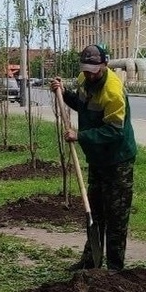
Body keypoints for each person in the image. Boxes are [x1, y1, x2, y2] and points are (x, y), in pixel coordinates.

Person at [51, 44, 137, 272]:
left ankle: (115, 268)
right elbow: (82, 105)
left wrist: (80, 136)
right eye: (86, 69)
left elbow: (114, 131)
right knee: (95, 212)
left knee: (116, 217)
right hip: (98, 159)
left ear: (104, 65)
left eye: (94, 70)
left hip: (118, 160)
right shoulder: (83, 79)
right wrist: (63, 92)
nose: (89, 74)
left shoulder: (113, 92)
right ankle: (91, 262)